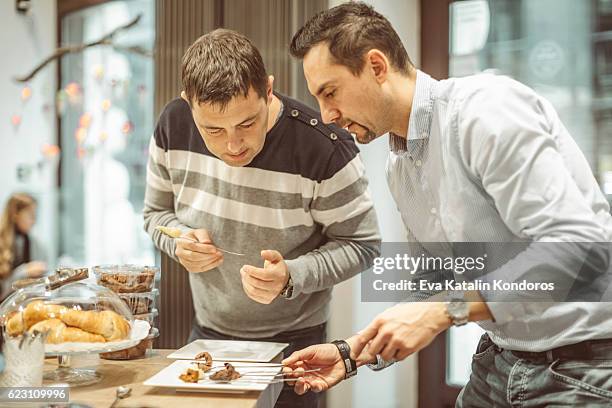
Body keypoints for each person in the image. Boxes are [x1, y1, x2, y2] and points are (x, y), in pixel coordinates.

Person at [282, 2, 612, 406]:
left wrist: (446, 310)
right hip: (501, 360)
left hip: (585, 364)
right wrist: (351, 352)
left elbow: (582, 248)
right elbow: (433, 285)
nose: (327, 115)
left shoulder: (483, 111)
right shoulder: (398, 166)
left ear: (377, 66)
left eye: (329, 92)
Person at [143, 28, 381, 407]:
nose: (233, 146)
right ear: (189, 104)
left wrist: (292, 276)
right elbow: (155, 215)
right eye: (213, 130)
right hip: (206, 337)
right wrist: (178, 241)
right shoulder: (173, 125)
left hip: (297, 350)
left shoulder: (325, 148)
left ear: (268, 90)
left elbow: (364, 246)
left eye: (247, 123)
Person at [0, 193, 47, 300]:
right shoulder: (2, 244)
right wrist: (24, 272)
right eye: (30, 215)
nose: (34, 220)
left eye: (35, 215)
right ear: (15, 214)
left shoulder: (36, 244)